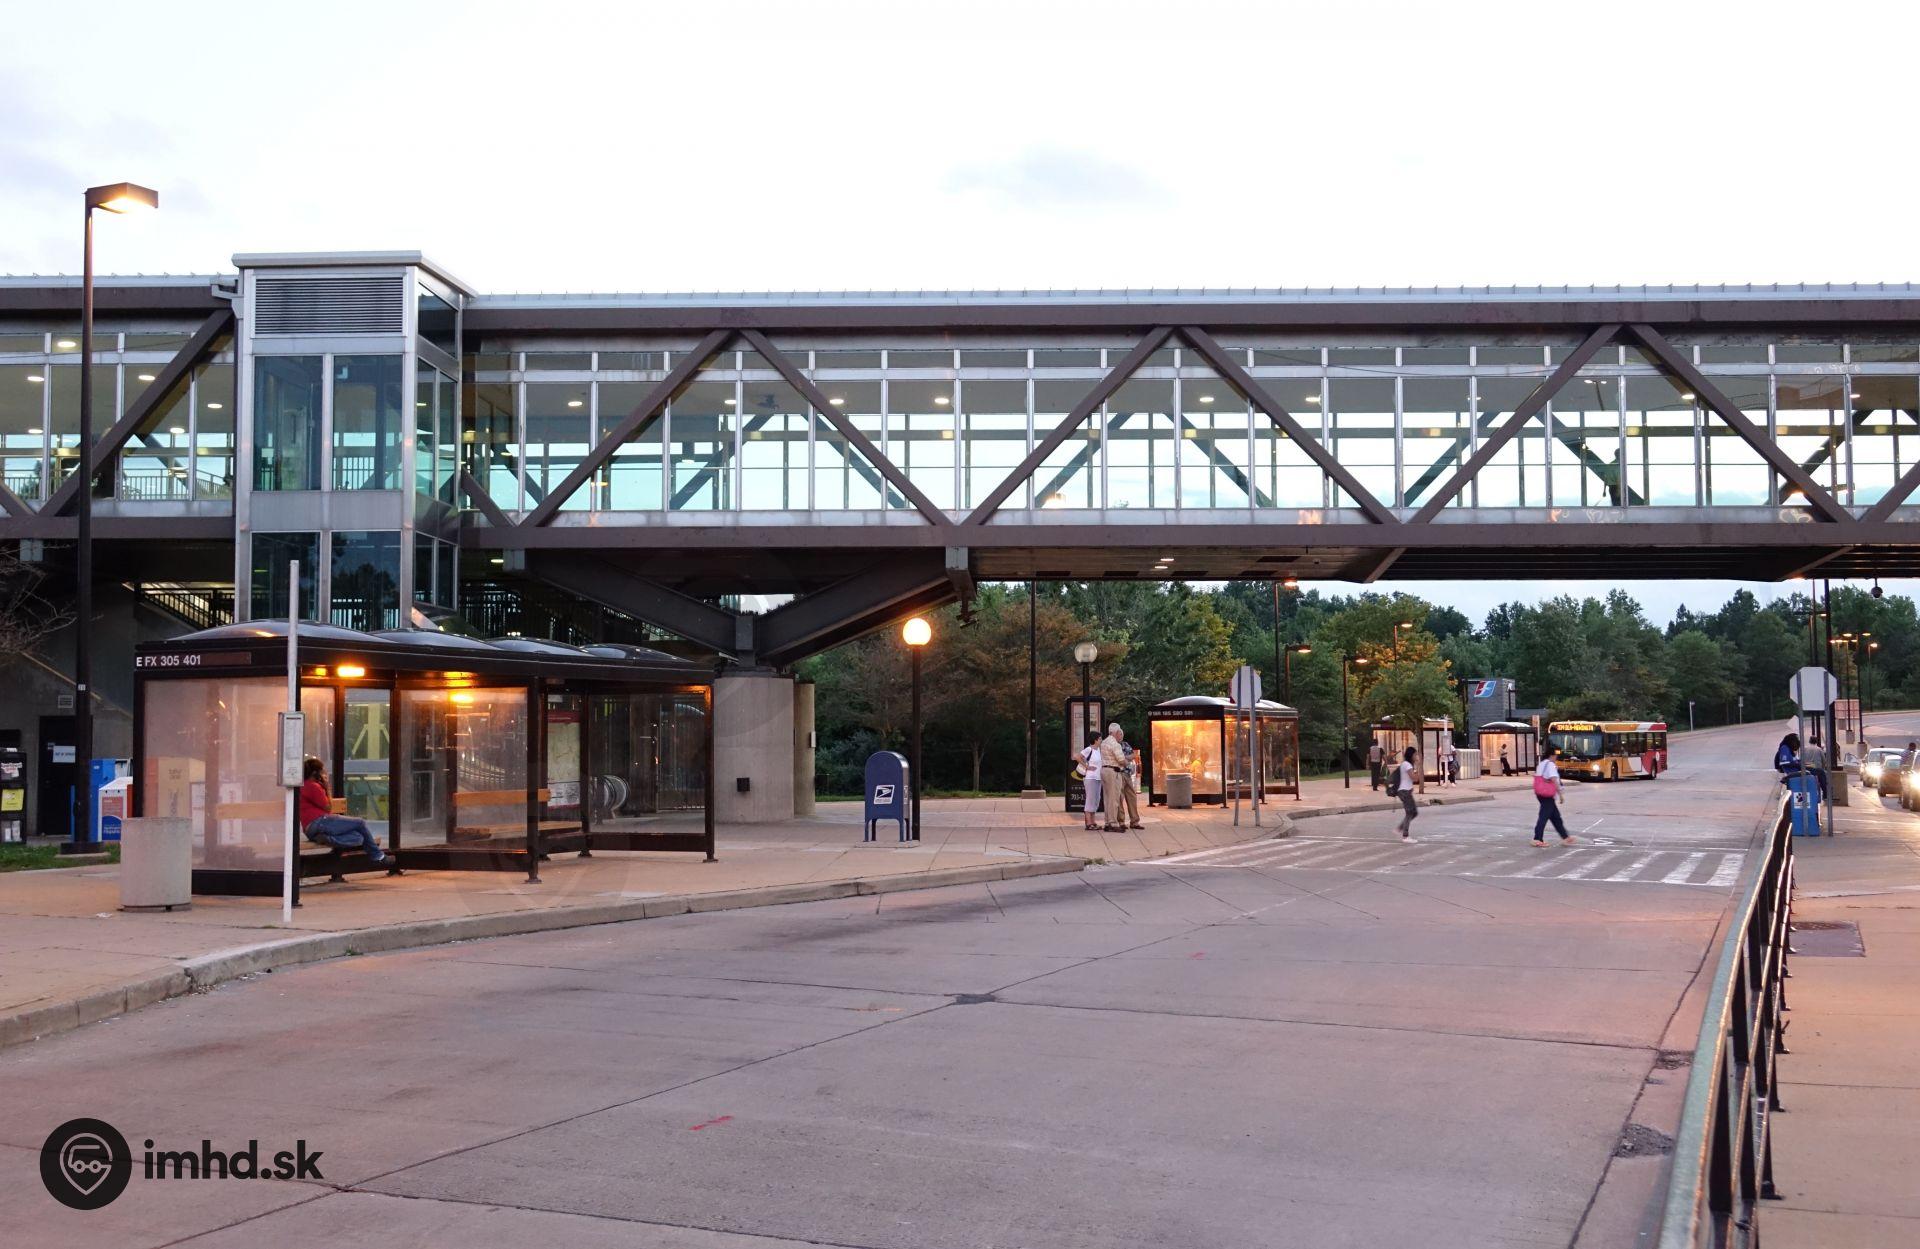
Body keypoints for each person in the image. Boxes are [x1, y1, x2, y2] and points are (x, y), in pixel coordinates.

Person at [299, 757, 393, 866]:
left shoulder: (304, 785)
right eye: (322, 771)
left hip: (311, 830)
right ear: (315, 773)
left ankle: (327, 838)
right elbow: (328, 807)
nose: (323, 773)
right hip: (320, 822)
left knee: (359, 837)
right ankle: (379, 856)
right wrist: (326, 787)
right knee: (360, 823)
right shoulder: (313, 786)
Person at [1532, 744, 1573, 846]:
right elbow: (1554, 779)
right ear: (1551, 755)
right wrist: (1560, 794)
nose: (1556, 758)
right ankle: (1537, 839)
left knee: (1555, 817)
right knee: (1544, 816)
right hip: (1547, 794)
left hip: (1540, 792)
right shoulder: (1550, 765)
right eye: (1555, 755)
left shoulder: (1542, 764)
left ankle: (1565, 837)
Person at [1098, 723, 1131, 832]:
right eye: (1119, 732)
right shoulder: (1115, 744)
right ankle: (1113, 823)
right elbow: (1121, 760)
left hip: (1104, 770)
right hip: (1113, 771)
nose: (1120, 734)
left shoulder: (1104, 742)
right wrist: (1127, 762)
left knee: (1107, 798)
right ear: (1116, 732)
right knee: (1114, 798)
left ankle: (1107, 822)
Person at [1391, 747, 1419, 841]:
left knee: (1414, 812)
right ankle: (1405, 836)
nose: (1416, 756)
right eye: (1415, 754)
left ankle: (1400, 828)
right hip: (1404, 791)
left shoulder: (1405, 764)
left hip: (1405, 791)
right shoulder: (1407, 765)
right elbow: (1414, 778)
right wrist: (1418, 768)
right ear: (1411, 755)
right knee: (1410, 812)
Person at [1078, 733, 1104, 830]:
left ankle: (1093, 822)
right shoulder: (1089, 749)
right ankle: (1088, 823)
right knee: (1090, 800)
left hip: (1098, 778)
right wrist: (1087, 766)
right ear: (1095, 740)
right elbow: (1078, 757)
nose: (1101, 740)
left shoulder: (1098, 750)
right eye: (1100, 739)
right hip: (1091, 777)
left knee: (1096, 800)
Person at [1117, 738, 1145, 830]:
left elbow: (1133, 755)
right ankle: (1121, 822)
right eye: (1119, 734)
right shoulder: (1113, 745)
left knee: (1132, 796)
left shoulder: (1125, 744)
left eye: (1121, 734)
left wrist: (1124, 758)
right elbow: (1117, 759)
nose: (1121, 736)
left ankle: (1134, 821)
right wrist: (1126, 758)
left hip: (1127, 773)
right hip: (1118, 773)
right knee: (1119, 798)